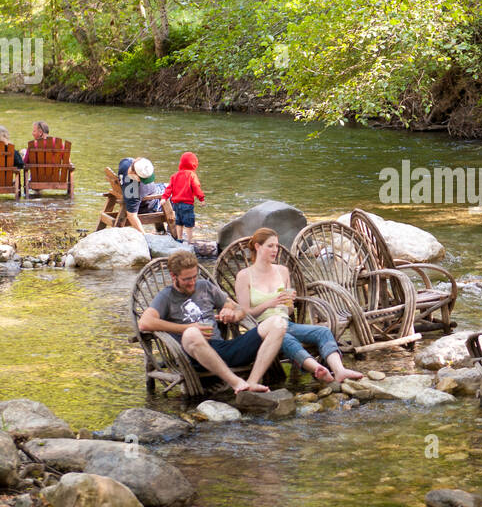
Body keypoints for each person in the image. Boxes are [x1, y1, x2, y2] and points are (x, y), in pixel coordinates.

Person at [138, 248, 283, 393]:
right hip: (194, 356)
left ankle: (252, 383)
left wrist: (231, 313)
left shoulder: (205, 287)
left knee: (278, 323)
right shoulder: (166, 296)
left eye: (194, 277)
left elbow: (240, 309)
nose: (192, 283)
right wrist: (187, 328)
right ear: (173, 276)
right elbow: (145, 322)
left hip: (222, 348)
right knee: (191, 334)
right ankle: (236, 382)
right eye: (187, 279)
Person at [233, 227, 364, 384]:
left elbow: (288, 311)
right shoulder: (244, 276)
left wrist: (289, 302)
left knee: (322, 332)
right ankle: (317, 369)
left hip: (286, 323)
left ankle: (339, 370)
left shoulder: (282, 271)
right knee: (285, 338)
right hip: (262, 329)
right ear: (257, 247)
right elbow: (245, 314)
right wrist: (271, 303)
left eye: (276, 246)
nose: (275, 250)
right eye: (270, 246)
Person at [117, 156, 171, 235]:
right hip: (150, 204)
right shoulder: (134, 190)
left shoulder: (126, 163)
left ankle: (161, 231)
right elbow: (132, 216)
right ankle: (172, 233)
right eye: (143, 179)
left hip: (149, 194)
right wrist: (145, 237)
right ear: (135, 175)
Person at [162, 152, 204, 244]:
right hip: (187, 204)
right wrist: (201, 199)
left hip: (176, 204)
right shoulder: (192, 175)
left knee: (179, 222)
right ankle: (190, 240)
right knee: (189, 223)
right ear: (194, 164)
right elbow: (196, 187)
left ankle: (179, 239)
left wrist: (164, 198)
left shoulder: (174, 176)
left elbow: (169, 188)